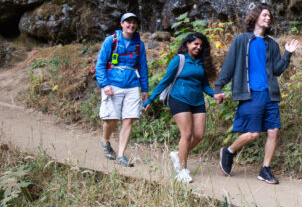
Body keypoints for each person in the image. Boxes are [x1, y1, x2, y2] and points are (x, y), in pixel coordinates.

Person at [214, 4, 300, 183]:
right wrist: (219, 87)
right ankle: (228, 151)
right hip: (250, 93)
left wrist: (287, 55)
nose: (268, 18)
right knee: (253, 134)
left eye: (270, 16)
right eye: (264, 15)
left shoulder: (272, 44)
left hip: (270, 93)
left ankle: (265, 169)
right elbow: (229, 65)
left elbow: (276, 70)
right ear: (255, 17)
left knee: (273, 131)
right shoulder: (241, 40)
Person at [141, 32, 226, 183]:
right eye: (195, 44)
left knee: (199, 135)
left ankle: (178, 154)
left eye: (201, 45)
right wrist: (150, 100)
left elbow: (204, 85)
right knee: (186, 134)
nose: (198, 47)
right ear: (187, 44)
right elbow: (165, 81)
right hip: (179, 99)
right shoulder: (179, 60)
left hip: (198, 101)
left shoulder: (201, 63)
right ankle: (181, 170)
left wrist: (214, 95)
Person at [94, 11, 149, 168]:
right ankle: (105, 141)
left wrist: (145, 89)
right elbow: (101, 64)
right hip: (113, 83)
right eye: (128, 22)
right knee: (112, 119)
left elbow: (143, 67)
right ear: (122, 24)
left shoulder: (139, 44)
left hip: (132, 85)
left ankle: (120, 155)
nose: (131, 25)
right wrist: (105, 85)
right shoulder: (111, 41)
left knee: (129, 119)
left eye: (133, 22)